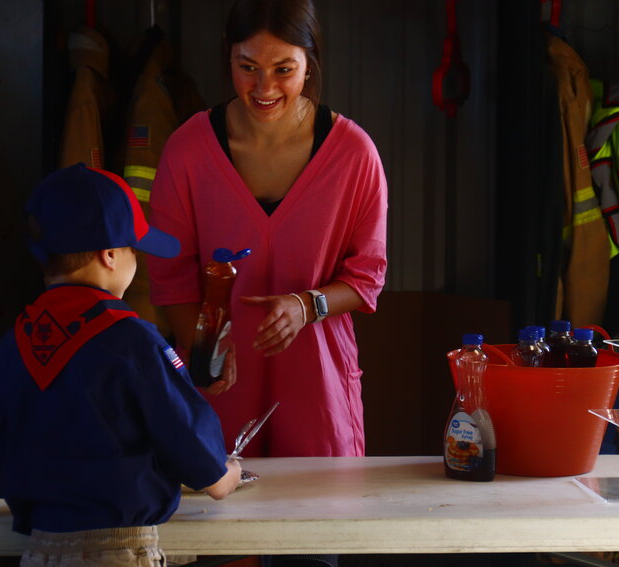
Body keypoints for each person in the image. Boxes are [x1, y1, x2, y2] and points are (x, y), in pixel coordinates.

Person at [147, 0, 387, 564]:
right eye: (247, 65)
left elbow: (367, 276)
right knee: (220, 546)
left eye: (284, 68)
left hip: (319, 398)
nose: (264, 86)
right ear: (227, 60)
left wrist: (308, 306)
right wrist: (205, 349)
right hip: (217, 400)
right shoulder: (186, 149)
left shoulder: (354, 153)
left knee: (314, 550)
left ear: (310, 64)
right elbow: (170, 275)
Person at [0, 163, 241, 567]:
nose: (136, 260)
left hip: (38, 550)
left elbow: (1, 469)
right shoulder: (133, 339)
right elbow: (195, 450)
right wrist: (225, 475)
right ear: (110, 255)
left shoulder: (12, 342)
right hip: (120, 550)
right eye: (134, 249)